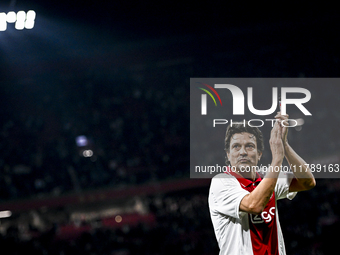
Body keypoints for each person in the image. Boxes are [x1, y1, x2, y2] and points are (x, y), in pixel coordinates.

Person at [208, 113, 316, 255]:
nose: (242, 152)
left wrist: (284, 146)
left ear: (259, 154)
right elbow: (254, 205)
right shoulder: (221, 182)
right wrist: (277, 159)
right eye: (236, 147)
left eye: (249, 146)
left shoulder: (266, 177)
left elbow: (307, 182)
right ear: (228, 155)